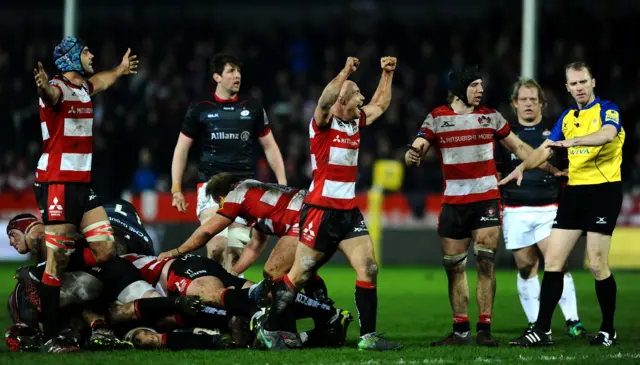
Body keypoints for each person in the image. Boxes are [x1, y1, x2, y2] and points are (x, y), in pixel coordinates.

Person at [404, 66, 563, 347]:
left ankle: (485, 329)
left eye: (482, 85)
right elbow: (417, 147)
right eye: (475, 85)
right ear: (462, 87)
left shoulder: (491, 117)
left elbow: (521, 149)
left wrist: (551, 168)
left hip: (486, 200)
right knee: (454, 268)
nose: (481, 90)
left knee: (485, 264)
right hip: (453, 203)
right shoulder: (438, 118)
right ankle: (461, 330)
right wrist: (412, 155)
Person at [257, 56, 402, 351]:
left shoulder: (355, 122)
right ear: (343, 99)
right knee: (298, 276)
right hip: (320, 212)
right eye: (357, 93)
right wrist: (346, 71)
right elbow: (324, 101)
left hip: (348, 212)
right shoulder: (322, 124)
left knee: (369, 268)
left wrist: (387, 74)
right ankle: (268, 328)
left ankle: (368, 337)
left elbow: (380, 105)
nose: (363, 98)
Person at [504, 62, 625, 347]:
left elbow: (607, 135)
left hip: (603, 191)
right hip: (574, 193)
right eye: (574, 84)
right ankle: (542, 330)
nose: (580, 87)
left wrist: (572, 143)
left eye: (583, 81)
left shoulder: (608, 108)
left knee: (596, 265)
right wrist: (522, 168)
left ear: (592, 81)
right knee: (554, 263)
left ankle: (608, 329)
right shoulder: (568, 117)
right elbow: (544, 150)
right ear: (568, 87)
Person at [33, 36, 138, 352]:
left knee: (105, 250)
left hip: (81, 185)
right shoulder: (58, 88)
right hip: (57, 184)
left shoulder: (83, 88)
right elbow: (49, 95)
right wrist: (41, 86)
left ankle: (52, 257)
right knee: (58, 262)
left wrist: (119, 70)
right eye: (85, 51)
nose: (92, 54)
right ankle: (50, 337)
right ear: (69, 59)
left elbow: (101, 81)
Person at [170, 53, 286, 272]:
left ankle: (227, 298)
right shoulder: (200, 108)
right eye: (231, 71)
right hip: (211, 186)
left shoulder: (252, 107)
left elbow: (270, 147)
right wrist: (176, 187)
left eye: (239, 71)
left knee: (235, 253)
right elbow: (181, 149)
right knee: (216, 247)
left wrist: (281, 182)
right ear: (217, 77)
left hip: (245, 189)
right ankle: (214, 288)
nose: (237, 76)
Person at [496, 78, 587, 338]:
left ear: (541, 104)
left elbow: (572, 163)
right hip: (515, 209)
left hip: (549, 208)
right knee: (526, 267)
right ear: (515, 103)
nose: (528, 104)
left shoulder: (555, 133)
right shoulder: (505, 137)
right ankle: (537, 325)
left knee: (557, 263)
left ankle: (572, 320)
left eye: (533, 100)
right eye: (523, 99)